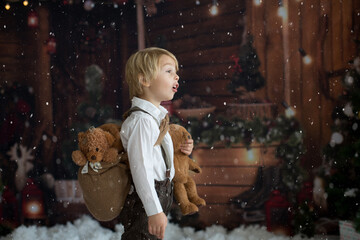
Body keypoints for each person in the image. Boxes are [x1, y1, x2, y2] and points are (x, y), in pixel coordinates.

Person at [119, 47, 194, 240]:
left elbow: (157, 155)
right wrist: (153, 210)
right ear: (145, 80)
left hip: (159, 193)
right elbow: (141, 168)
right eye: (169, 71)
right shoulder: (142, 121)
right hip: (147, 199)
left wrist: (180, 150)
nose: (176, 77)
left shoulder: (155, 118)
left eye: (176, 72)